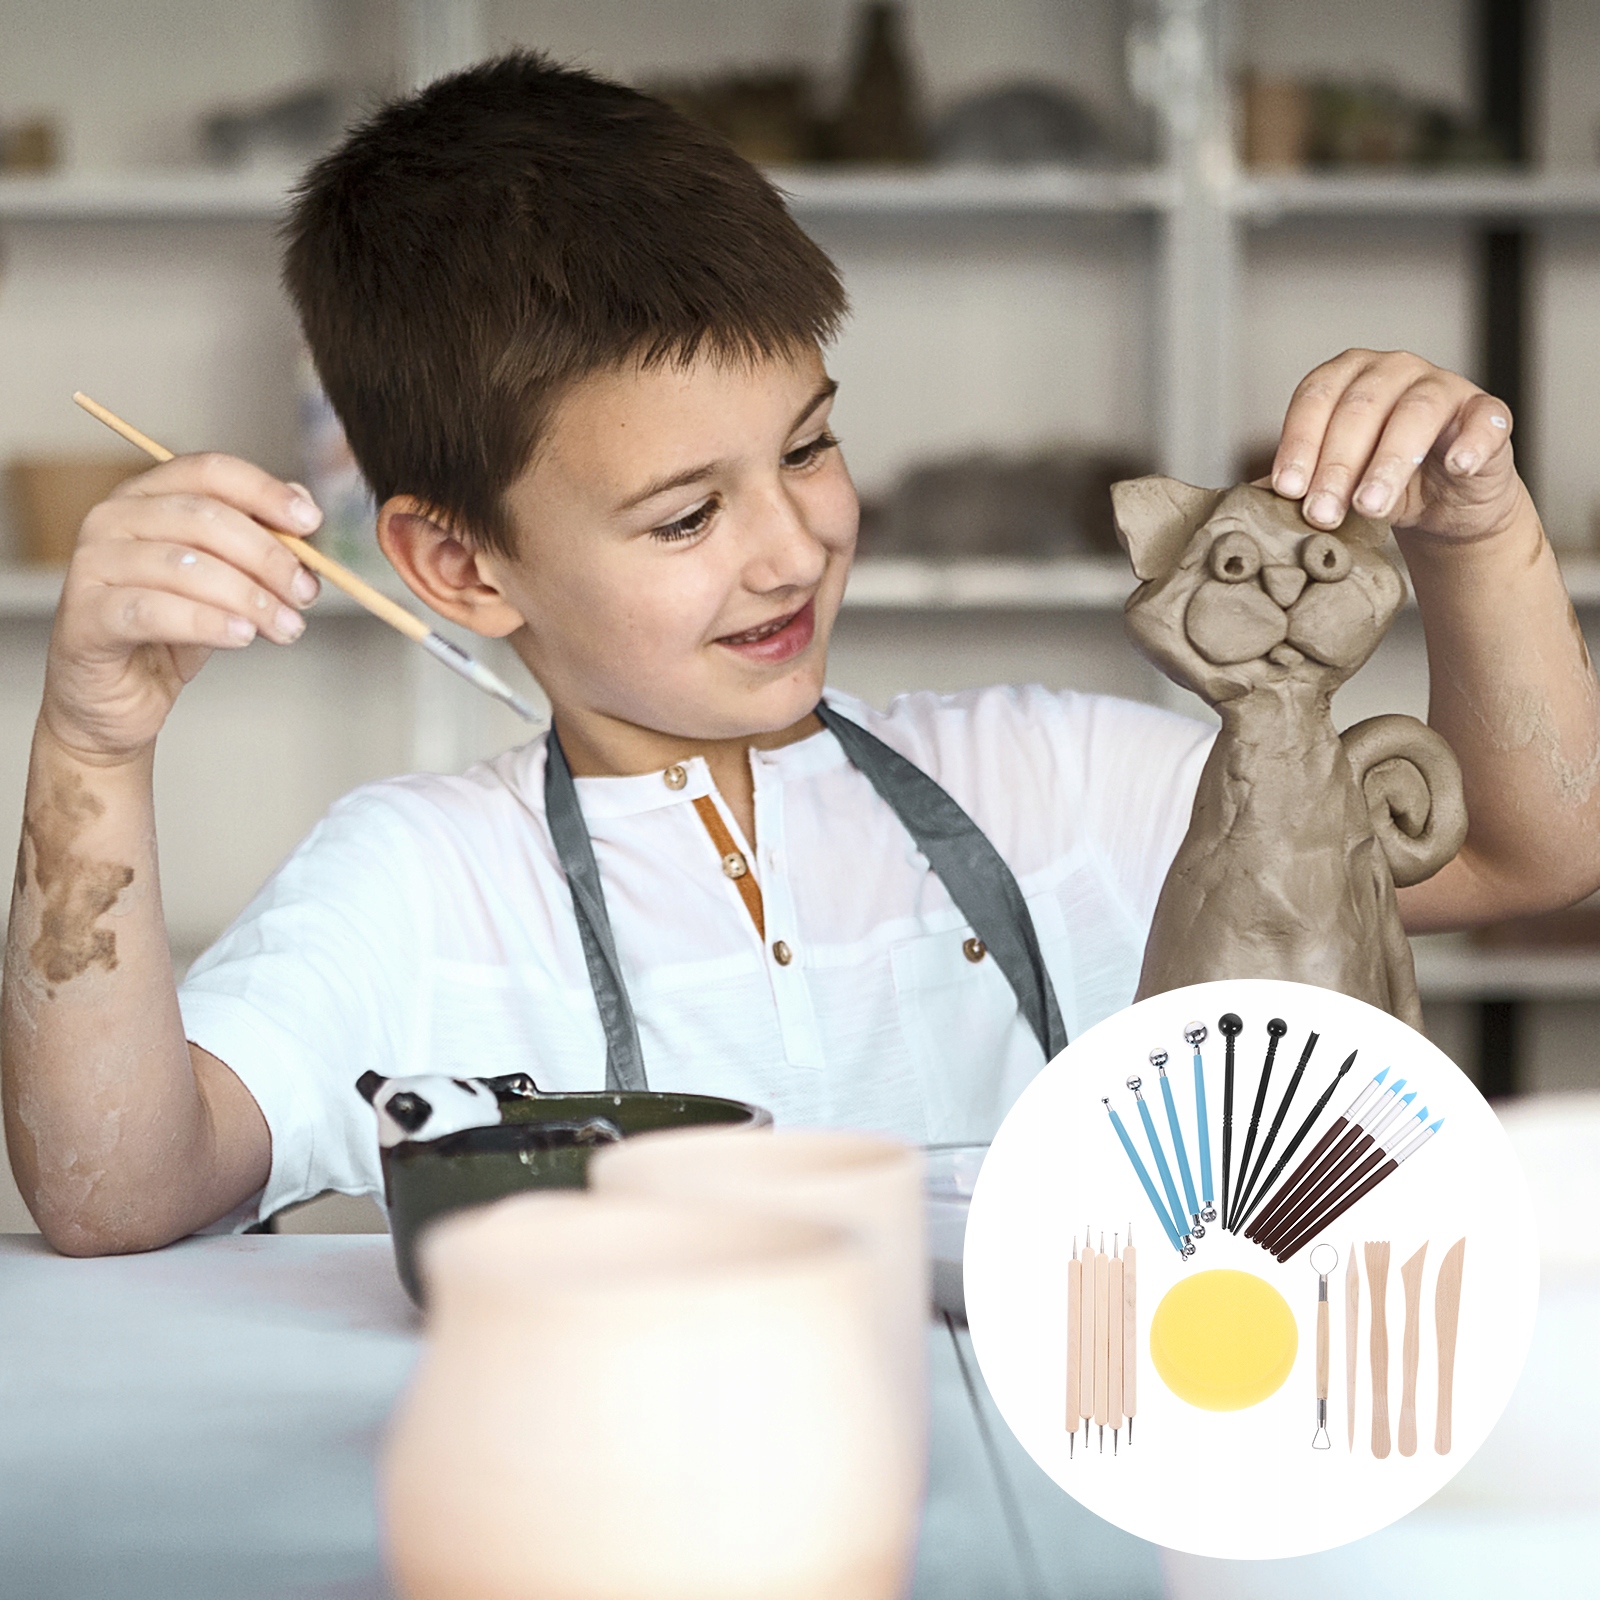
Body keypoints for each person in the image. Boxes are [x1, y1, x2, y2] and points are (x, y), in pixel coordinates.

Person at [5, 55, 1598, 1256]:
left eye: (811, 448)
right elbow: (114, 1190)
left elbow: (1532, 853)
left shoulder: (1055, 782)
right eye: (686, 515)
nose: (792, 546)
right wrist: (91, 749)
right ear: (458, 566)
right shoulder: (420, 886)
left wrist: (1478, 530)